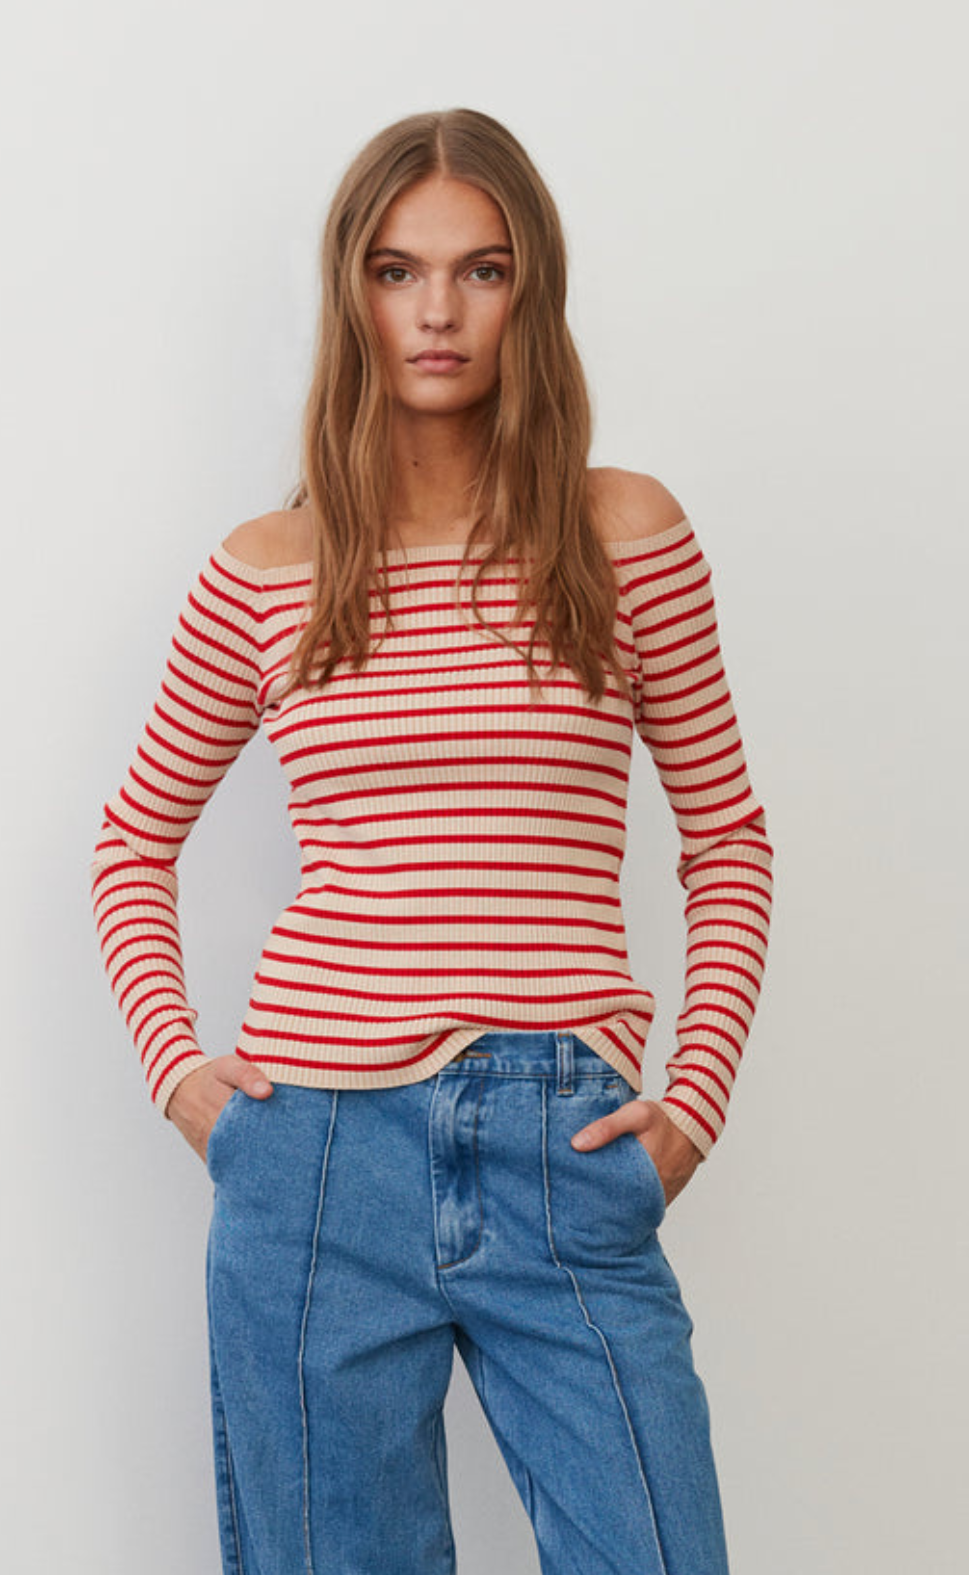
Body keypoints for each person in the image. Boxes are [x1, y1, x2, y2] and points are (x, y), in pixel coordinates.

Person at [91, 106, 773, 1575]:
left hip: (561, 1141)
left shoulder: (622, 534)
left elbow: (725, 835)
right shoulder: (268, 569)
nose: (439, 311)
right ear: (353, 292)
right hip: (314, 1155)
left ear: (533, 291)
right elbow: (132, 840)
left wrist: (695, 1101)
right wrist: (184, 1080)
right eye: (398, 271)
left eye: (483, 269)